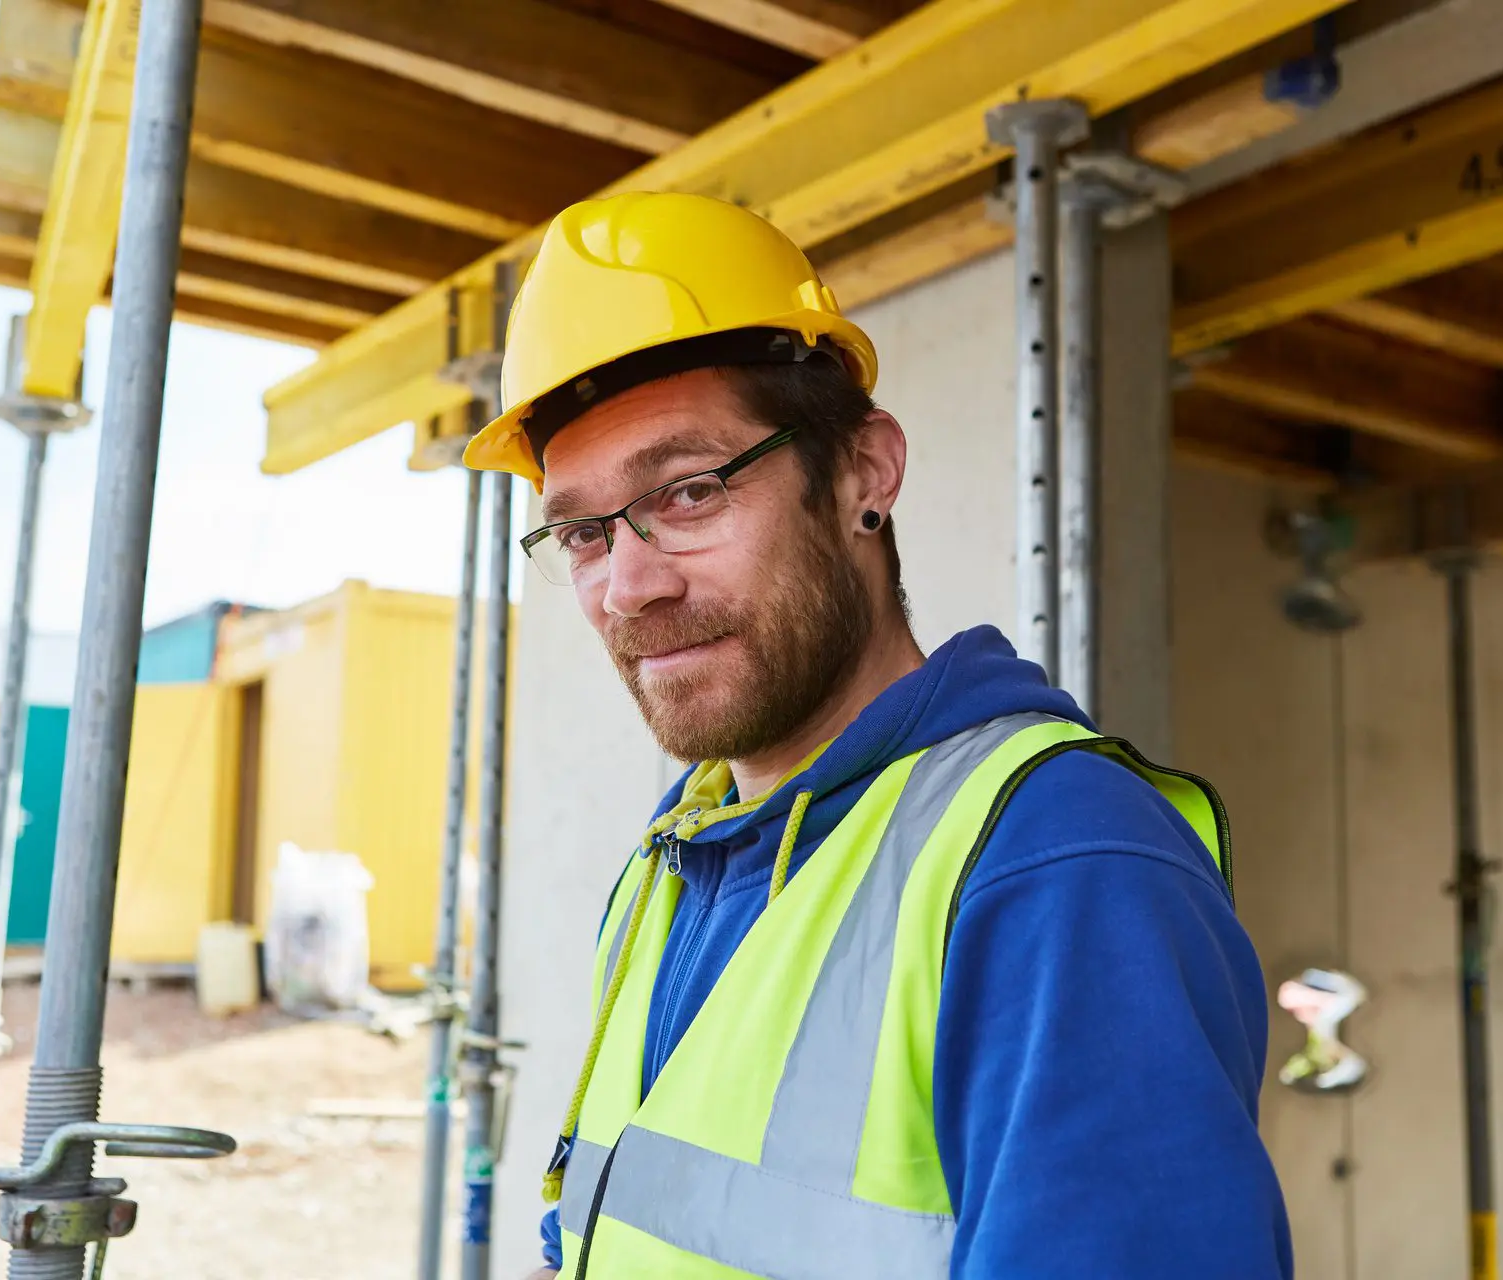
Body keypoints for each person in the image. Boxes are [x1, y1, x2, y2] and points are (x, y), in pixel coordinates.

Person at [463, 191, 1290, 1280]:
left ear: (865, 473)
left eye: (691, 491)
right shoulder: (679, 855)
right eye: (580, 530)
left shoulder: (1054, 861)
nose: (627, 586)